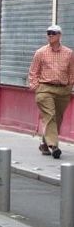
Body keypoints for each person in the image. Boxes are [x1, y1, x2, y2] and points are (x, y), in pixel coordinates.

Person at [28, 25, 74, 159]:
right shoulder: (40, 52)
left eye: (53, 33)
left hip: (63, 90)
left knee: (56, 118)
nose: (50, 35)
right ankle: (54, 146)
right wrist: (36, 86)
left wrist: (70, 86)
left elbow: (71, 71)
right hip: (45, 89)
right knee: (50, 115)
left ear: (60, 35)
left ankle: (44, 144)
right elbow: (33, 71)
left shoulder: (69, 53)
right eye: (48, 33)